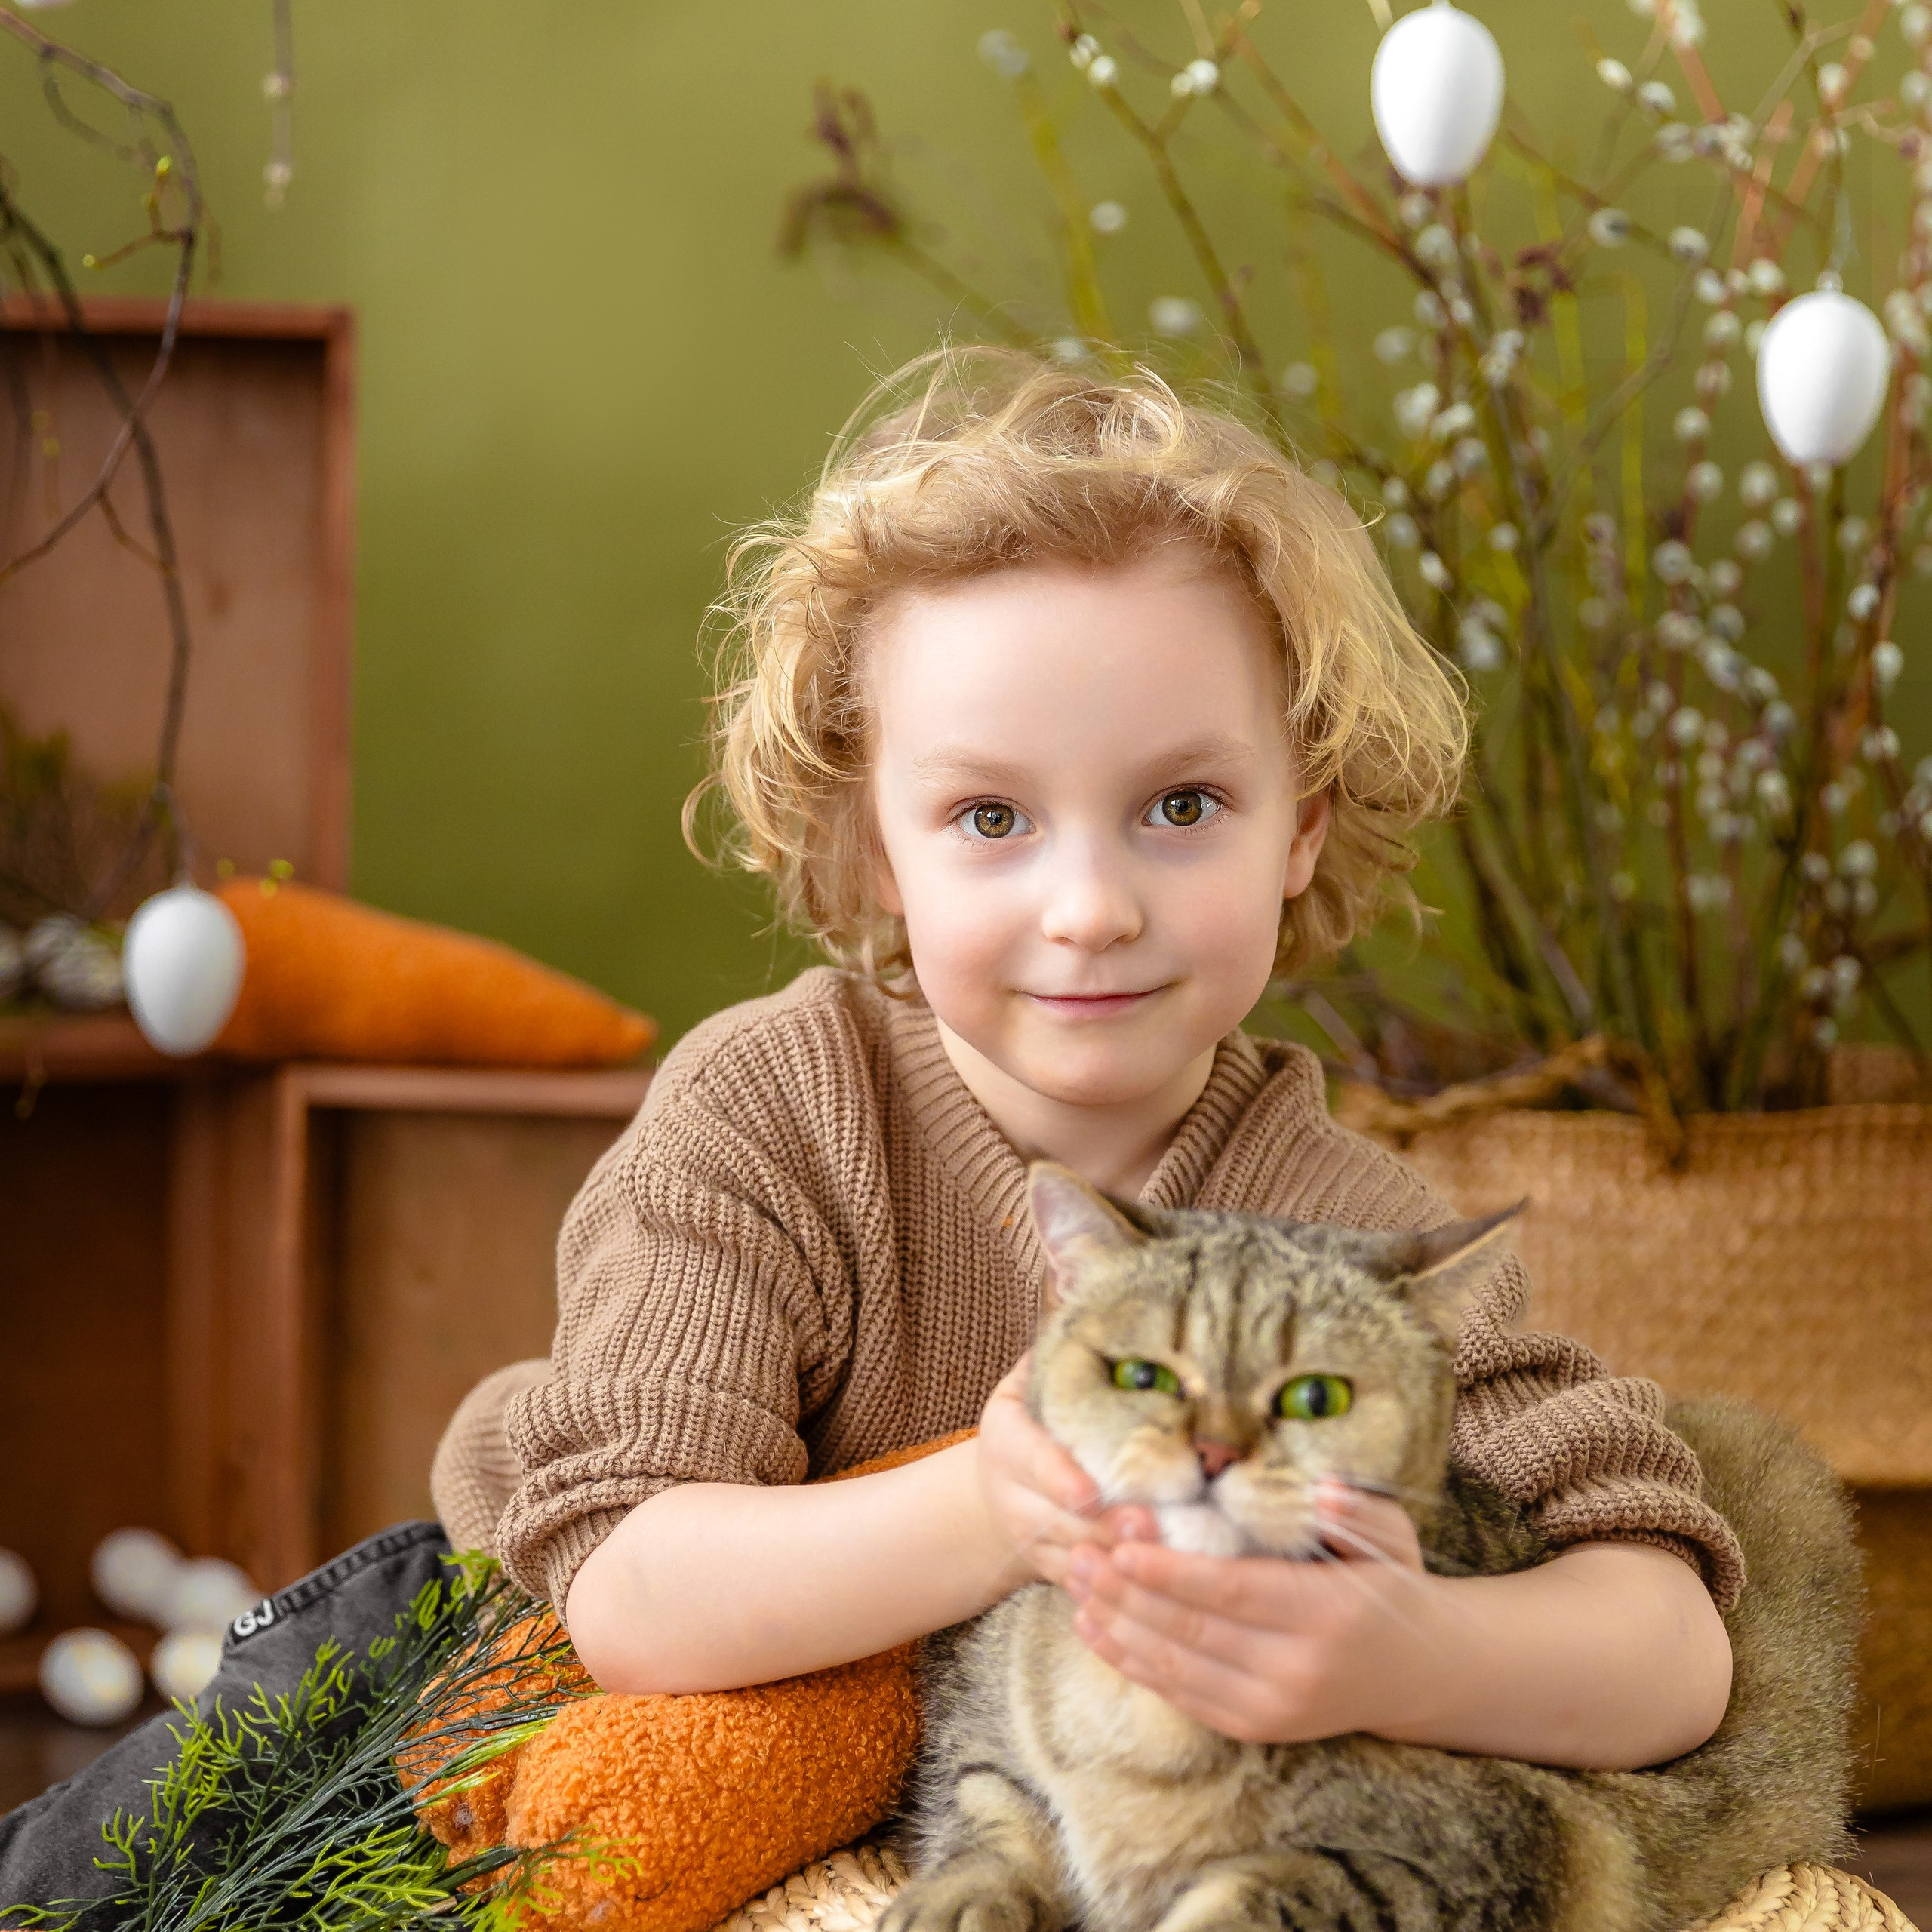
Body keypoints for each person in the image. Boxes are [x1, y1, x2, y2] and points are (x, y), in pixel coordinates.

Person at [432, 347, 1740, 1769]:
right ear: (873, 843)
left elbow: (1668, 1648)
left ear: (1299, 825)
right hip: (505, 1649)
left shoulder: (1351, 1241)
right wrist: (1003, 1505)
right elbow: (631, 1591)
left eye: (1182, 803)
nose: (1093, 910)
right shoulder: (774, 1115)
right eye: (992, 818)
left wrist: (1397, 1657)